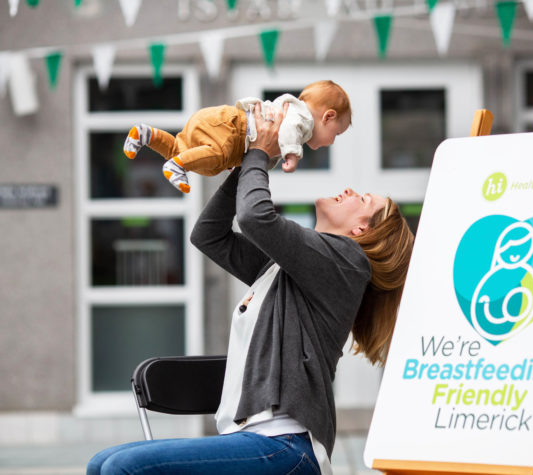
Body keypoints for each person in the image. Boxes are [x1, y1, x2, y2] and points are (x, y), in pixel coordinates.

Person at [87, 104, 414, 474]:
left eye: (364, 200)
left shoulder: (347, 263)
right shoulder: (286, 269)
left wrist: (261, 151)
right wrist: (245, 160)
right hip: (252, 441)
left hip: (286, 446)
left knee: (124, 468)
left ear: (360, 232)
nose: (353, 191)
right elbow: (208, 235)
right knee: (102, 463)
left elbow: (255, 217)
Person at [122, 80, 351, 193]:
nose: (332, 142)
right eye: (337, 134)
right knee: (216, 155)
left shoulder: (293, 112)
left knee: (181, 148)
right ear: (327, 117)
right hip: (231, 127)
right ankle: (177, 166)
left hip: (219, 123)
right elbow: (289, 130)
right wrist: (293, 154)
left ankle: (147, 135)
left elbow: (266, 154)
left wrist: (242, 166)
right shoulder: (302, 116)